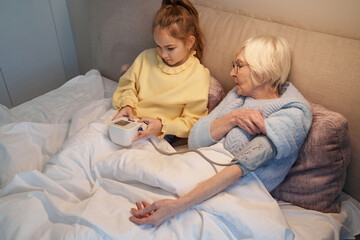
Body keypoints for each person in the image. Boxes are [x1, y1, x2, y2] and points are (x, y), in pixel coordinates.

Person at [129, 36, 312, 226]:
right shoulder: (237, 95)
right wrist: (233, 118)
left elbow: (240, 168)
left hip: (237, 190)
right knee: (130, 175)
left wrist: (179, 205)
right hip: (198, 169)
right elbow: (195, 140)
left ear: (263, 72)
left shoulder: (292, 113)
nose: (232, 73)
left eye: (239, 66)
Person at [112, 0, 210, 144]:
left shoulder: (198, 76)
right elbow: (127, 86)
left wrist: (162, 125)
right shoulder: (145, 57)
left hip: (161, 134)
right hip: (129, 121)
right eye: (158, 46)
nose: (163, 54)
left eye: (170, 48)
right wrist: (127, 105)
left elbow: (193, 122)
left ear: (189, 42)